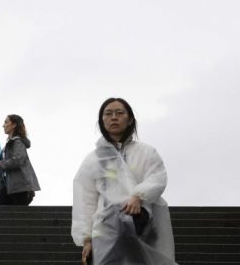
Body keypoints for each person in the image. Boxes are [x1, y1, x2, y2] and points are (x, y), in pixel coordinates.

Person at [72, 97, 177, 265]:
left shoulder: (146, 152)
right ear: (102, 121)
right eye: (108, 114)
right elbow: (85, 200)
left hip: (140, 221)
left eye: (120, 113)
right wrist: (86, 238)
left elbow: (157, 177)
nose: (114, 117)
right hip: (106, 228)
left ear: (129, 120)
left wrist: (138, 196)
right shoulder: (94, 160)